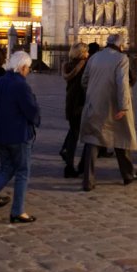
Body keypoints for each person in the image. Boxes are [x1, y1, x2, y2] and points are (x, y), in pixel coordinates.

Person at [0, 51, 40, 223]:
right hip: (18, 134)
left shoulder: (1, 81)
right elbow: (30, 110)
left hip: (0, 133)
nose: (28, 71)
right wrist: (36, 116)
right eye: (28, 68)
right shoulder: (21, 85)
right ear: (23, 67)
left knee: (6, 168)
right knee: (22, 172)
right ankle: (17, 211)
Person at [79, 33, 137, 191]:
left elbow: (84, 80)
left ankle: (88, 180)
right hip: (114, 106)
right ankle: (127, 175)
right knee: (121, 139)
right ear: (120, 45)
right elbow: (122, 84)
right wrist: (123, 106)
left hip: (95, 103)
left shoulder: (94, 57)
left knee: (92, 141)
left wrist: (94, 93)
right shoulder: (121, 59)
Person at [60, 43, 89, 177]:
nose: (88, 54)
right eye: (86, 51)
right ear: (82, 53)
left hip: (71, 103)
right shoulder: (85, 66)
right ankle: (83, 165)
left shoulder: (68, 65)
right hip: (81, 103)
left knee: (73, 135)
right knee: (89, 136)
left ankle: (69, 166)